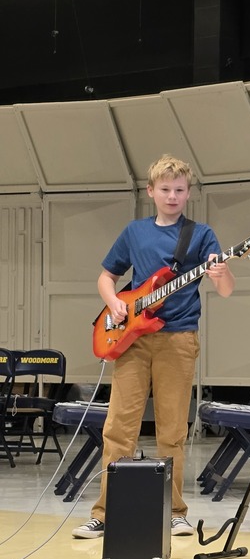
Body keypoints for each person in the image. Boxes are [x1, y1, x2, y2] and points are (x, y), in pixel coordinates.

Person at [73, 155, 235, 539]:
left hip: (178, 339)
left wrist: (222, 272)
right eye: (165, 189)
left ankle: (175, 512)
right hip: (132, 339)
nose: (173, 196)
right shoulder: (134, 232)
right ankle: (104, 512)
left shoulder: (201, 234)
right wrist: (115, 304)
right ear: (151, 191)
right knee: (118, 428)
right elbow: (106, 276)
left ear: (188, 192)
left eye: (179, 190)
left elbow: (225, 291)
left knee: (172, 430)